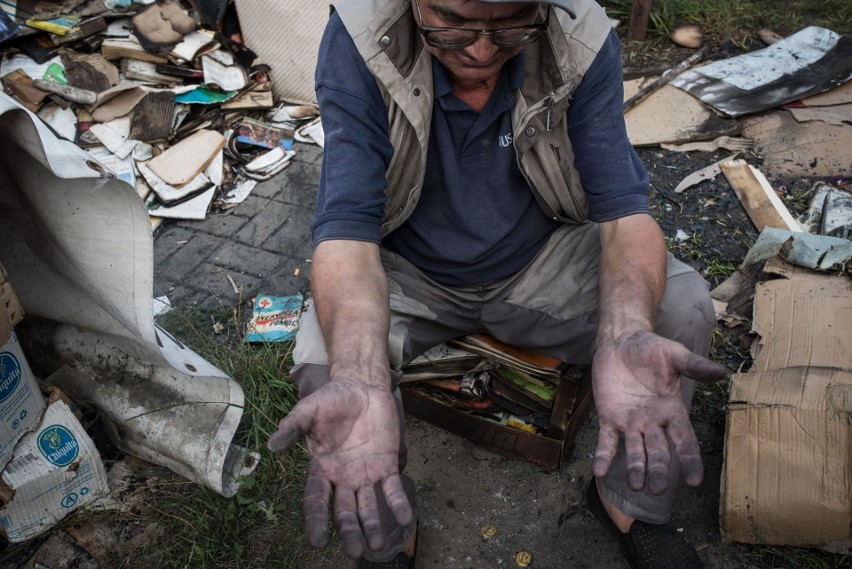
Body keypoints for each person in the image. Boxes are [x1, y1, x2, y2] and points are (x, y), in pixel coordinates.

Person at [267, 0, 729, 567]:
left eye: (511, 23)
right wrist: (358, 374)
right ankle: (389, 539)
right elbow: (347, 231)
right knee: (329, 371)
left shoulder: (578, 35)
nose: (482, 51)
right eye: (452, 22)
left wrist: (625, 329)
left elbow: (624, 213)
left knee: (682, 307)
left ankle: (629, 506)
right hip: (408, 271)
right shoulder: (362, 37)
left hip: (540, 258)